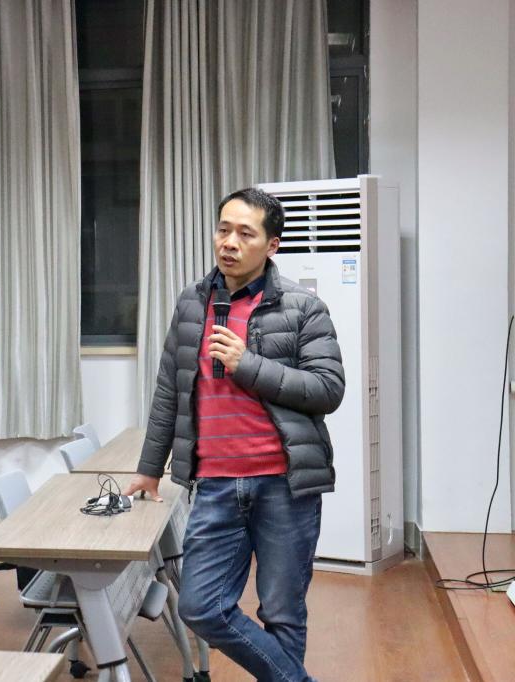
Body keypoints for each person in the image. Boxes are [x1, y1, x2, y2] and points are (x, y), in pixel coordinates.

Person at [124, 188, 345, 682]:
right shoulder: (192, 304)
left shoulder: (304, 307)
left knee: (283, 613)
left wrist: (248, 365)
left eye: (246, 233)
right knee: (200, 606)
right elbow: (170, 390)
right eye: (224, 229)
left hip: (284, 484)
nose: (229, 242)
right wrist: (149, 468)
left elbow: (327, 389)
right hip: (216, 485)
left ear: (272, 245)